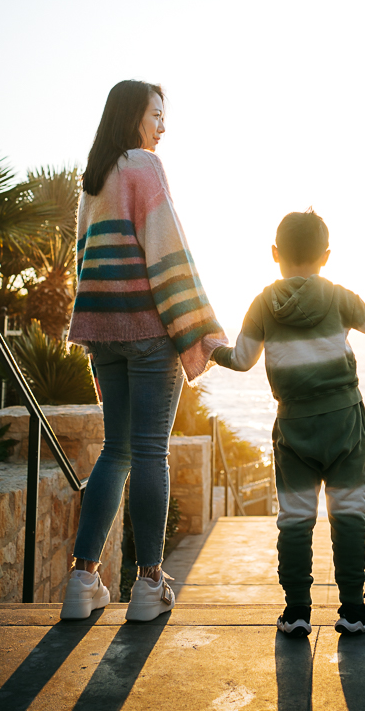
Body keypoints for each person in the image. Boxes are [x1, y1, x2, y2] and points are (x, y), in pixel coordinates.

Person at [213, 209, 365, 638]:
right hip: (346, 421)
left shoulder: (261, 305)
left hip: (293, 426)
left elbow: (240, 360)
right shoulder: (338, 297)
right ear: (326, 256)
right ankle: (352, 609)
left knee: (294, 520)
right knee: (348, 515)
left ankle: (295, 613)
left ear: (275, 253)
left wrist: (208, 347)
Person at [60, 80, 226, 622]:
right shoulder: (143, 167)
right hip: (150, 335)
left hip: (103, 332)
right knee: (150, 451)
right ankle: (148, 585)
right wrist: (202, 327)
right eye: (156, 114)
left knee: (117, 451)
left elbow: (85, 262)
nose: (162, 125)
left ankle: (82, 581)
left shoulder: (92, 180)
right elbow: (168, 250)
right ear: (134, 115)